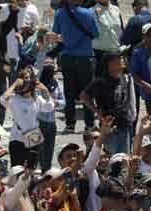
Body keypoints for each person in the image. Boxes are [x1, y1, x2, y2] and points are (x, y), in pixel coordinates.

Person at [51, 0, 98, 132]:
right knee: (87, 91)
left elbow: (56, 33)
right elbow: (95, 33)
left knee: (69, 91)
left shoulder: (60, 13)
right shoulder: (89, 13)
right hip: (85, 56)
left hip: (68, 56)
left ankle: (70, 124)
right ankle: (89, 124)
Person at [0, 65, 55, 168]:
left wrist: (46, 91)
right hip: (17, 138)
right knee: (17, 170)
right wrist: (15, 84)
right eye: (25, 78)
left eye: (30, 78)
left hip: (33, 136)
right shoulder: (14, 99)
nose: (28, 81)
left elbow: (49, 107)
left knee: (30, 170)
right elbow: (3, 99)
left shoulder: (36, 99)